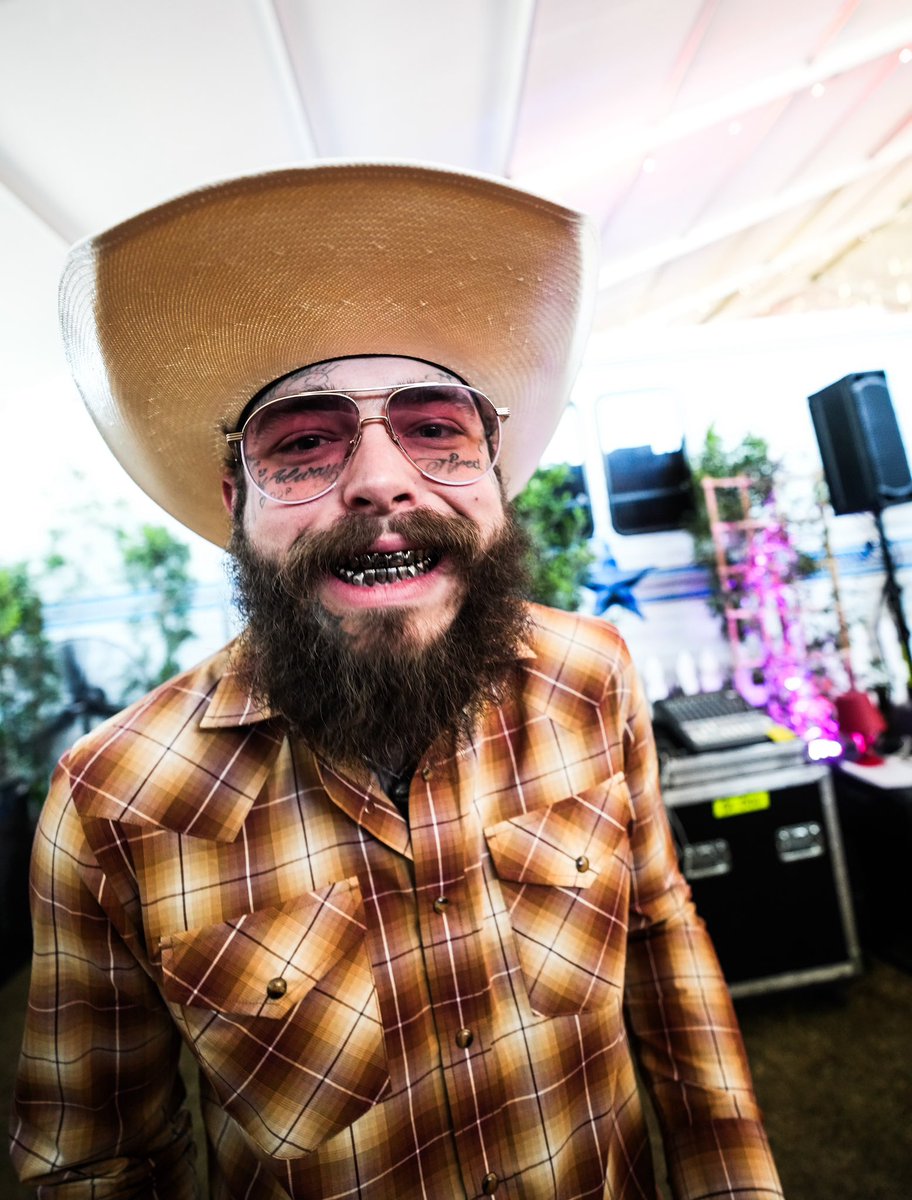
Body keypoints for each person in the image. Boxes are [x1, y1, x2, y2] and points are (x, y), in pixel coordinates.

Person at [10, 163, 783, 1199]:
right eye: (304, 444)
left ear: (497, 476)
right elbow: (98, 1163)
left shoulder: (595, 678)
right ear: (236, 499)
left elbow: (661, 935)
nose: (382, 478)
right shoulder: (113, 803)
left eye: (434, 428)